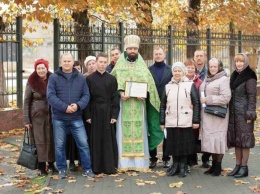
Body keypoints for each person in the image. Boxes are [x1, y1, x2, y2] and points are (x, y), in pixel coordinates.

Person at [111, 35, 164, 171]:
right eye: (130, 48)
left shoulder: (142, 67)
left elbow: (150, 87)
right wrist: (119, 93)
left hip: (139, 106)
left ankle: (140, 163)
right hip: (124, 107)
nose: (132, 51)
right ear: (126, 50)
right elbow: (111, 84)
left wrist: (145, 94)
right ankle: (124, 164)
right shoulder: (119, 67)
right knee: (123, 132)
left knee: (140, 132)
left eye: (135, 48)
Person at [47, 53, 95, 179]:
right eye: (65, 61)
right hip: (59, 118)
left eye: (69, 61)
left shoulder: (80, 78)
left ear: (73, 62)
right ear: (61, 62)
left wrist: (77, 106)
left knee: (83, 144)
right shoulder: (53, 78)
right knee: (59, 145)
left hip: (76, 117)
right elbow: (50, 96)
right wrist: (65, 107)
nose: (67, 63)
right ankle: (62, 169)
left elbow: (86, 96)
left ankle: (87, 169)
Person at [160, 62, 200, 178]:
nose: (177, 73)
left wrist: (196, 120)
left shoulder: (190, 85)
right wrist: (162, 122)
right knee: (173, 144)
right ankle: (175, 164)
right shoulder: (168, 86)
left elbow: (196, 103)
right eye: (175, 71)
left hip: (185, 119)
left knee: (184, 145)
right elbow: (162, 105)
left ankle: (183, 165)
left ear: (183, 72)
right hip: (171, 120)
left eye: (179, 71)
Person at [85, 52, 120, 174]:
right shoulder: (89, 79)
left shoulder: (112, 79)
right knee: (95, 139)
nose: (102, 65)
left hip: (107, 111)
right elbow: (87, 98)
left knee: (107, 139)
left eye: (105, 62)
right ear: (96, 62)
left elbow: (115, 98)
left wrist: (114, 115)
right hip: (94, 111)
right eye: (100, 62)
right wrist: (88, 115)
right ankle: (96, 167)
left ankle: (109, 166)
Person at [23, 59, 55, 175]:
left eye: (43, 68)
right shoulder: (32, 82)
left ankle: (51, 164)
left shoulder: (53, 79)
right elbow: (26, 102)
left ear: (47, 68)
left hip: (51, 115)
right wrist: (26, 120)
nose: (41, 70)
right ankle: (41, 166)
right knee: (40, 141)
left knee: (51, 139)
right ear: (36, 70)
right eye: (39, 68)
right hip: (37, 117)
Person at [200, 58, 231, 176]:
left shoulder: (223, 79)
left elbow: (226, 97)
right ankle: (213, 166)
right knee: (211, 141)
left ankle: (218, 166)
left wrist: (208, 99)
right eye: (211, 66)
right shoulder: (207, 78)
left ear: (219, 67)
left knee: (218, 140)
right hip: (208, 115)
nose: (212, 68)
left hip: (218, 115)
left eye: (215, 66)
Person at [227, 53, 257, 178]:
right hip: (234, 114)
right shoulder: (234, 75)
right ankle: (237, 166)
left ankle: (244, 168)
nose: (238, 64)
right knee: (237, 140)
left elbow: (252, 97)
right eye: (237, 61)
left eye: (241, 61)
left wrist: (250, 114)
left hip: (244, 114)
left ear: (245, 62)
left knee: (244, 141)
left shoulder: (249, 76)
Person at [148, 47, 172, 169]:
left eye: (160, 54)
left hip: (167, 104)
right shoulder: (148, 70)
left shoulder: (170, 70)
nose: (158, 56)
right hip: (152, 105)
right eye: (156, 54)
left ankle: (166, 158)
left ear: (164, 55)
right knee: (152, 130)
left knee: (166, 132)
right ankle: (153, 158)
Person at [193, 49, 211, 168]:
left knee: (206, 133)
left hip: (206, 108)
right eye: (197, 56)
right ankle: (192, 157)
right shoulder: (189, 71)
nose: (199, 58)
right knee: (193, 133)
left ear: (204, 57)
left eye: (201, 56)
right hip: (193, 108)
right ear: (194, 58)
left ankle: (205, 158)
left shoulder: (210, 72)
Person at [184, 59, 202, 169]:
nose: (190, 69)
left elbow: (201, 98)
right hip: (183, 114)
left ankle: (192, 159)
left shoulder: (199, 82)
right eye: (188, 67)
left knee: (193, 137)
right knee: (184, 136)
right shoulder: (181, 80)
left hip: (194, 114)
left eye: (192, 67)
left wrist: (195, 105)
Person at [66, 60, 83, 172]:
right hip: (70, 112)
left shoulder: (83, 79)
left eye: (79, 68)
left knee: (82, 140)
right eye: (75, 68)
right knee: (71, 139)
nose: (77, 70)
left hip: (81, 111)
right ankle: (71, 161)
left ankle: (81, 159)